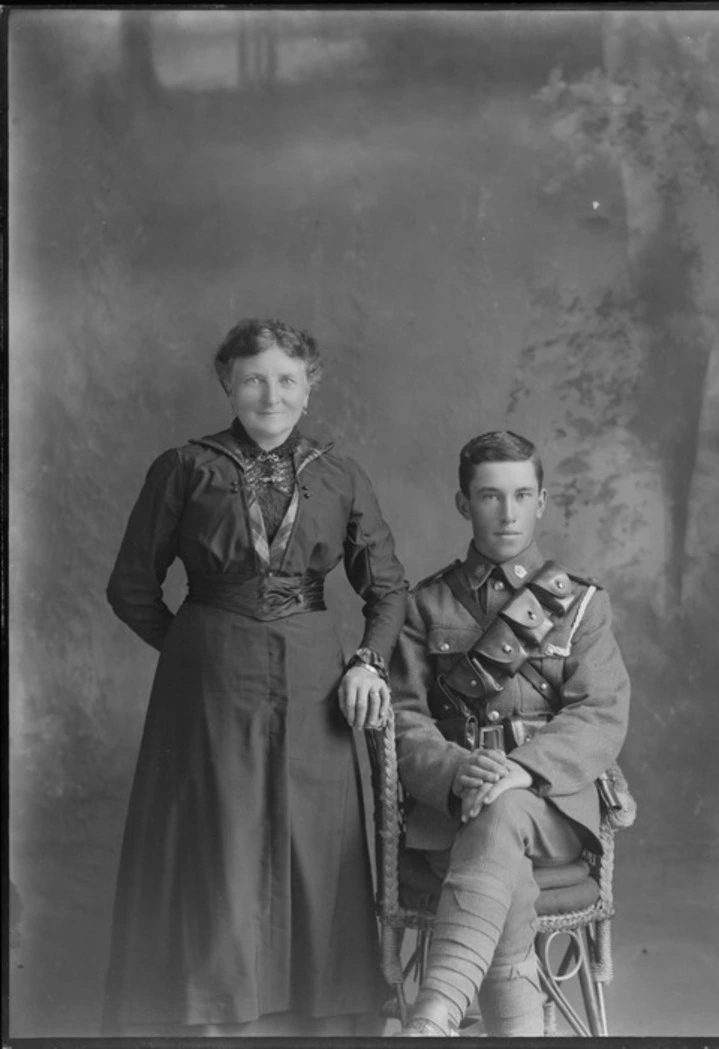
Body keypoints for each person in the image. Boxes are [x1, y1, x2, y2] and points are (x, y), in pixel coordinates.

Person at [102, 318, 407, 1037]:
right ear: (227, 384)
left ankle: (319, 1015)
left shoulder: (340, 472)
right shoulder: (183, 468)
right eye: (253, 378)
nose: (270, 394)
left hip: (313, 674)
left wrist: (367, 661)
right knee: (221, 834)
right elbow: (131, 587)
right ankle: (215, 1009)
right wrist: (190, 650)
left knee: (314, 832)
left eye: (287, 380)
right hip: (208, 675)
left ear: (309, 389)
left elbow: (387, 590)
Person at [389, 430, 630, 1037]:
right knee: (499, 853)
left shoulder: (580, 604)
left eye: (523, 495)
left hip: (551, 809)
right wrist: (454, 771)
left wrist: (522, 770)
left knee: (504, 815)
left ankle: (435, 1012)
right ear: (463, 504)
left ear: (542, 501)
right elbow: (404, 716)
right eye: (491, 496)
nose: (508, 512)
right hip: (454, 809)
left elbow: (599, 711)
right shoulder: (425, 605)